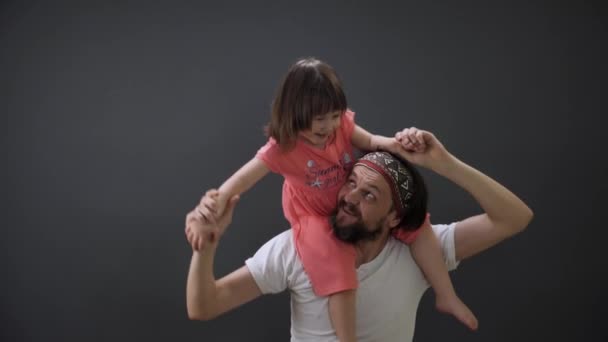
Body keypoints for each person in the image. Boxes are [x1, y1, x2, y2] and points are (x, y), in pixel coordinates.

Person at [187, 57, 477, 341]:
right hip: (313, 218)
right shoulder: (282, 149)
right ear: (294, 117)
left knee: (418, 225)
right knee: (337, 265)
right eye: (319, 121)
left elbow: (373, 141)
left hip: (350, 206)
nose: (328, 128)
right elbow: (240, 182)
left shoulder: (341, 127)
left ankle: (446, 295)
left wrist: (396, 144)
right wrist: (215, 201)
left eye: (334, 117)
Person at [185, 127, 533, 341]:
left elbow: (514, 218)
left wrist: (445, 164)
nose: (349, 198)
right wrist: (206, 247)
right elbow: (204, 306)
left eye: (369, 195)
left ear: (395, 217)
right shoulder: (298, 248)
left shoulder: (421, 254)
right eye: (350, 183)